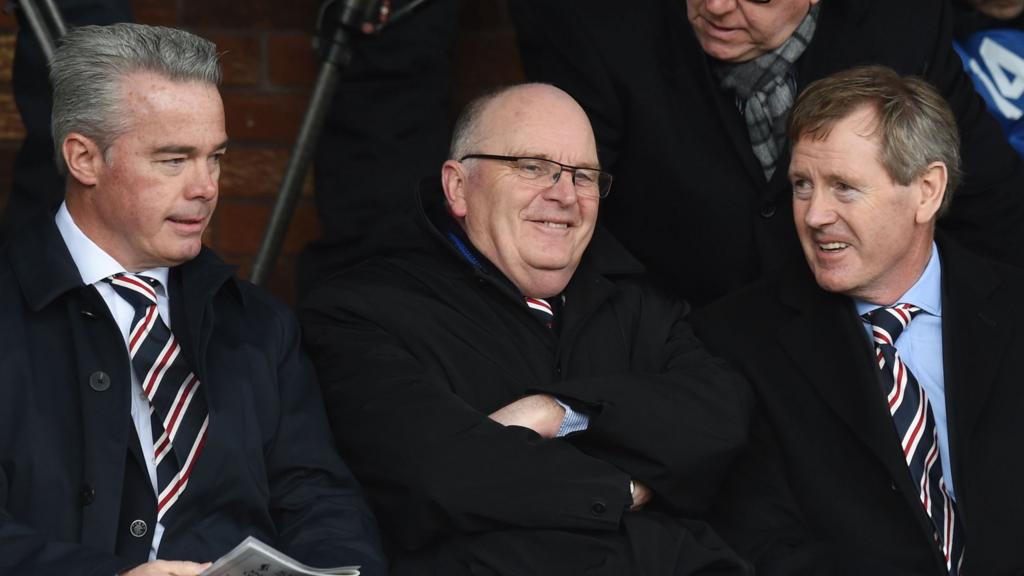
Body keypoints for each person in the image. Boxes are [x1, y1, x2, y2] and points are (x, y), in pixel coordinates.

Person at [300, 83, 753, 575]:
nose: (564, 195)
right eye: (532, 167)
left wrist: (560, 411)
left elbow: (722, 417)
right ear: (457, 187)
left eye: (583, 176)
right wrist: (624, 487)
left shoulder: (639, 305)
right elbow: (440, 477)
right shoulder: (364, 312)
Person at [0, 23, 385, 576]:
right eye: (173, 160)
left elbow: (319, 499)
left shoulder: (260, 324)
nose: (205, 186)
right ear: (84, 159)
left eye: (216, 158)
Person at [692, 65, 1024, 575]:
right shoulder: (736, 341)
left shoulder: (1011, 309)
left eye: (844, 187)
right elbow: (763, 542)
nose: (814, 214)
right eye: (802, 185)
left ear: (927, 191)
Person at [510, 0, 1024, 307]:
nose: (715, 7)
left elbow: (989, 204)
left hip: (863, 333)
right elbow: (559, 222)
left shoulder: (898, 23)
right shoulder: (603, 31)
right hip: (684, 344)